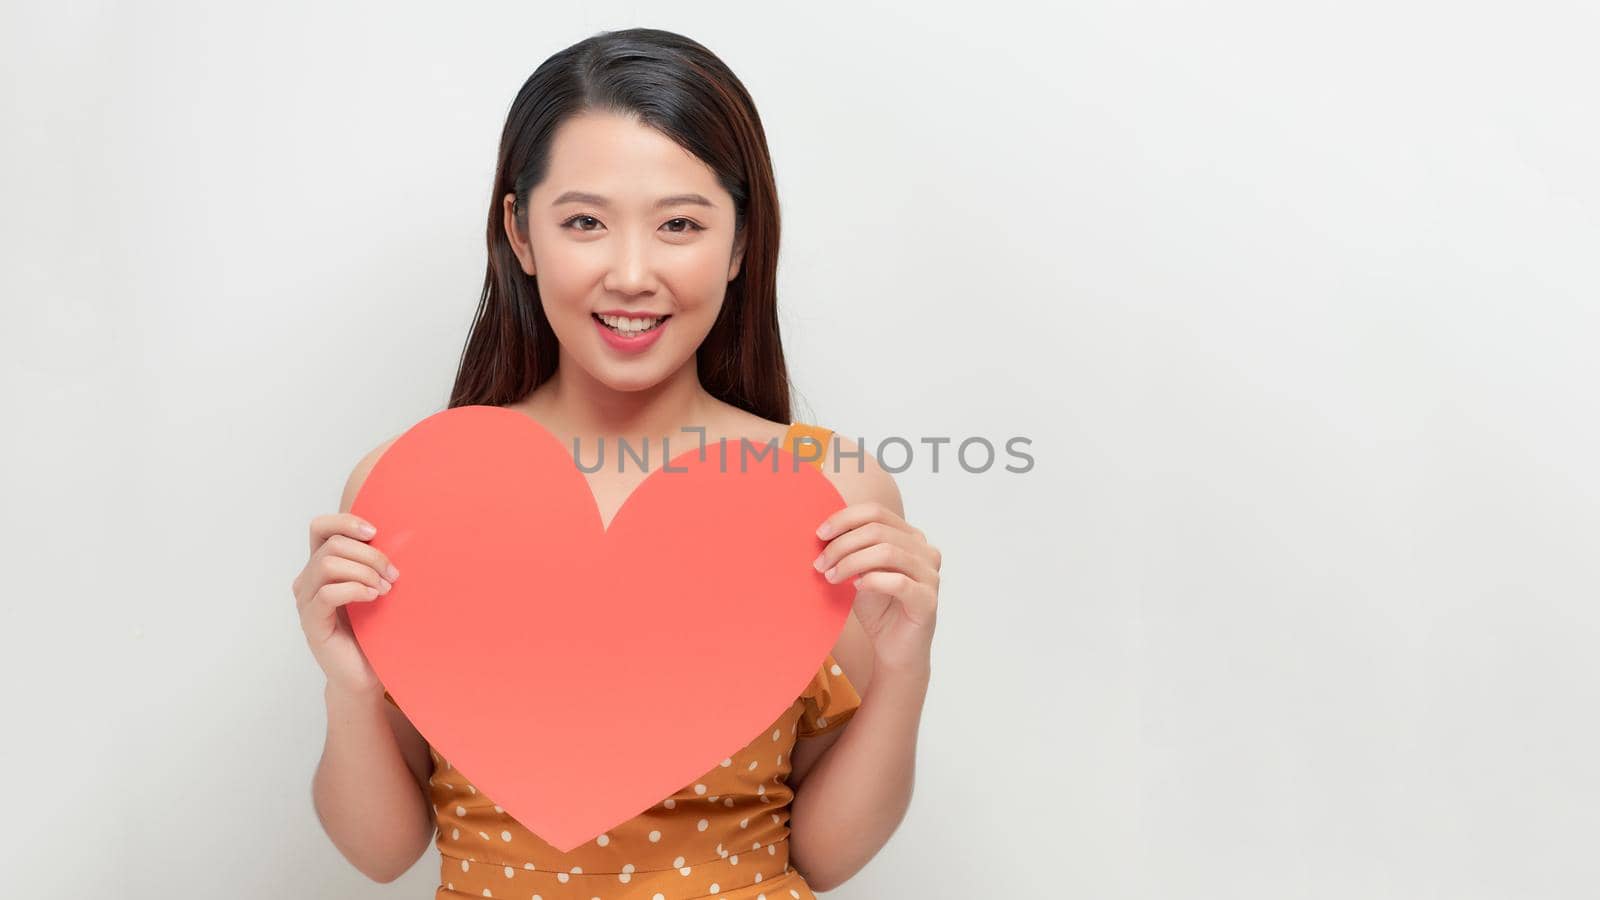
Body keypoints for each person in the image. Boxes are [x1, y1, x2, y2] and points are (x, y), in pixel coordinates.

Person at [292, 27, 942, 898]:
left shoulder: (825, 492)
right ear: (521, 235)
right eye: (585, 223)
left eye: (679, 224)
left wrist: (906, 667)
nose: (632, 273)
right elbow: (381, 852)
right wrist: (351, 689)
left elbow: (821, 857)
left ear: (742, 244)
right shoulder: (419, 489)